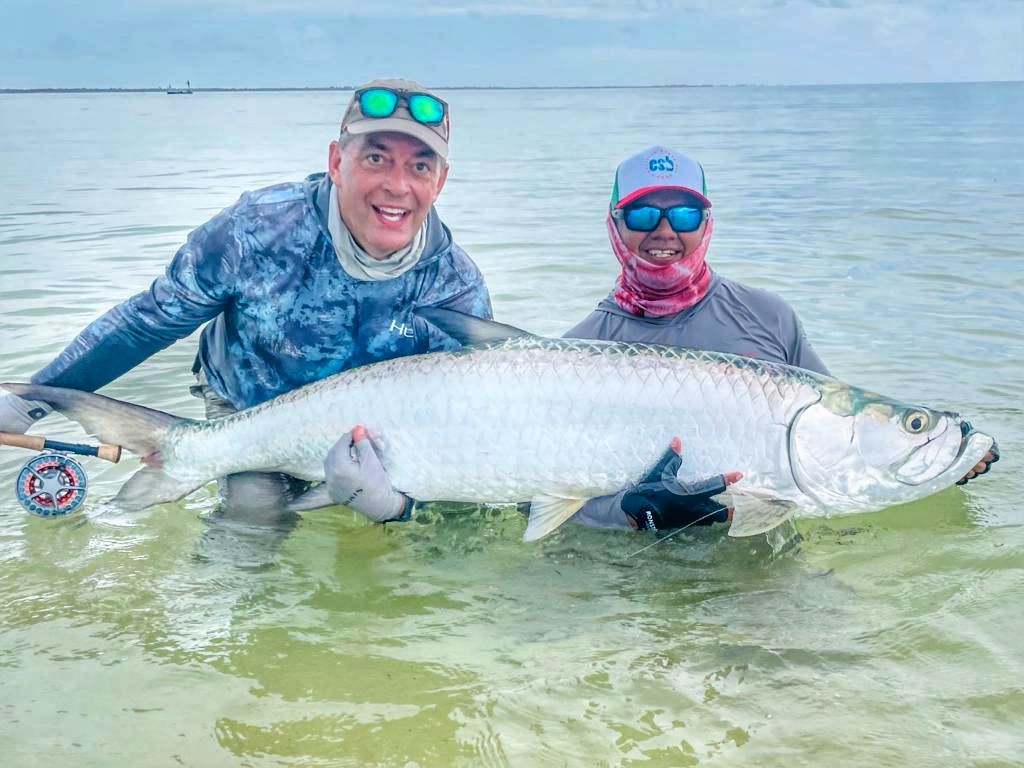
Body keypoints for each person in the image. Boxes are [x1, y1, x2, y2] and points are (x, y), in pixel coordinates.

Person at [325, 145, 998, 533]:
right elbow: (549, 502)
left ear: (707, 223)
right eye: (644, 212)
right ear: (615, 226)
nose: (664, 229)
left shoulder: (771, 318)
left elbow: (833, 452)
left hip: (756, 576)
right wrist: (634, 513)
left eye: (683, 212)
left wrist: (948, 457)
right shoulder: (575, 350)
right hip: (633, 584)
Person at [0, 78, 492, 514]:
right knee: (251, 523)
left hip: (373, 442)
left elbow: (461, 430)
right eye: (376, 158)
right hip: (246, 407)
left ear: (440, 181)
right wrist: (28, 402)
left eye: (420, 166)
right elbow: (147, 321)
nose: (397, 186)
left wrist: (397, 506)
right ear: (336, 162)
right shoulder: (258, 230)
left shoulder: (455, 288)